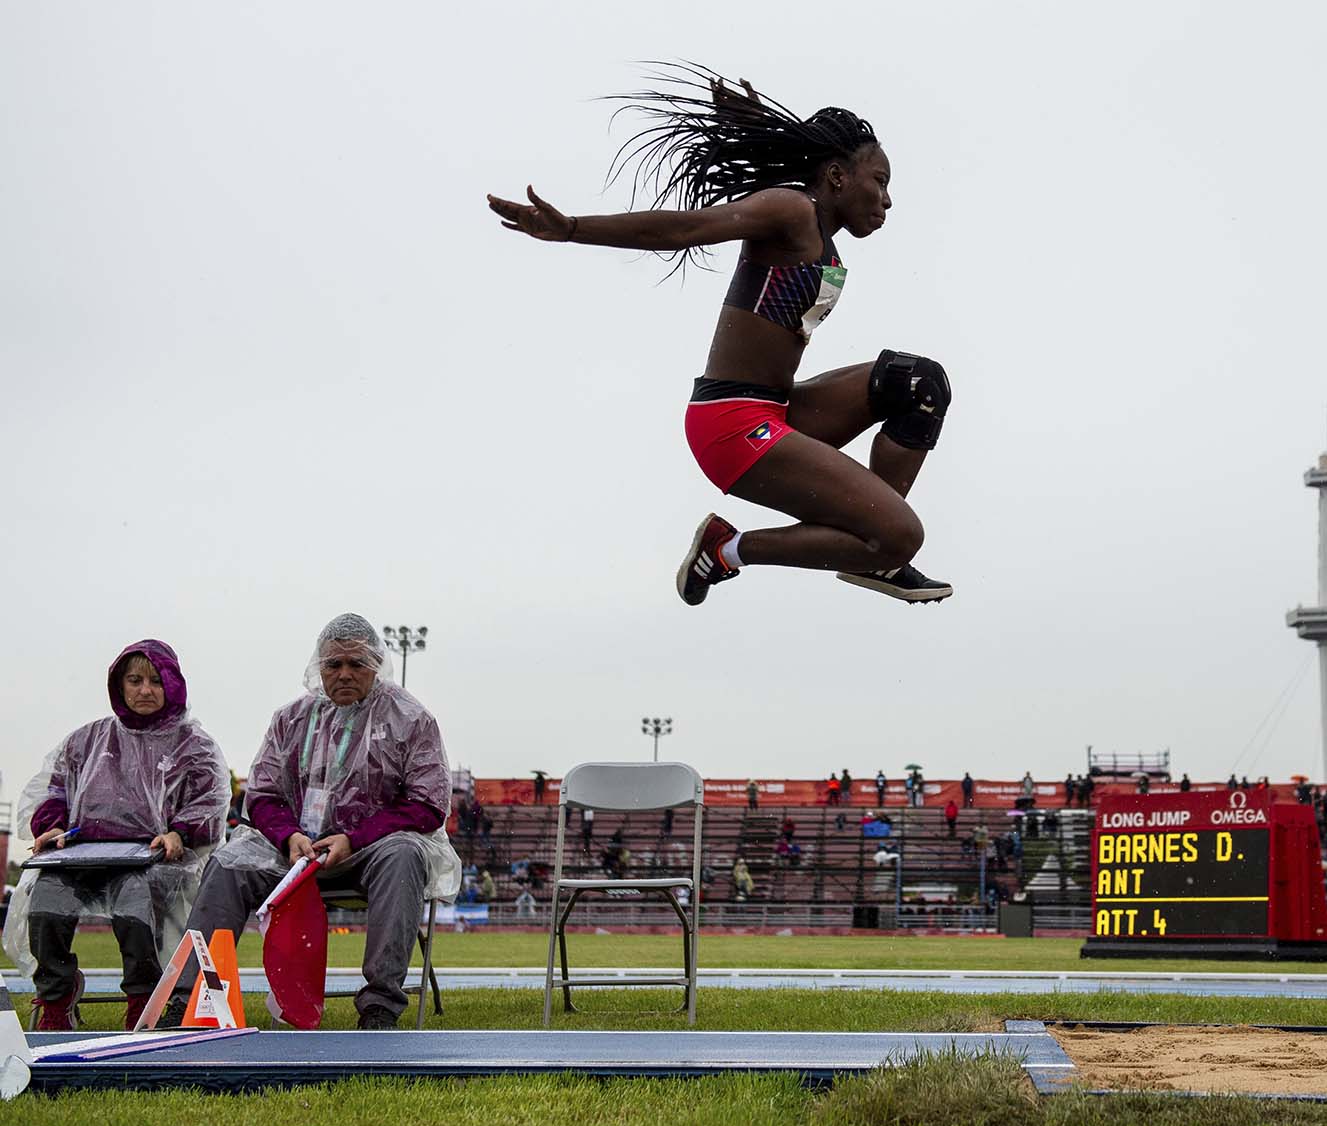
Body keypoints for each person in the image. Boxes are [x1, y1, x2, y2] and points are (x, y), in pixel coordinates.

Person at [489, 64, 952, 607]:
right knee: (902, 533)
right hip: (729, 425)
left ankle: (876, 554)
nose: (888, 200)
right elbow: (683, 230)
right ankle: (729, 550)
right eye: (881, 181)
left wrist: (750, 119)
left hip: (775, 410)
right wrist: (571, 229)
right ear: (835, 177)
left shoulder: (818, 234)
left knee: (919, 383)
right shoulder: (791, 210)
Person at [159, 615, 460, 1030]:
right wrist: (289, 836)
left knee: (405, 854)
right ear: (318, 667)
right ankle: (189, 995)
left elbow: (427, 804)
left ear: (377, 664)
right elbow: (262, 795)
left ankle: (379, 1006)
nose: (344, 674)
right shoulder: (291, 719)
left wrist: (354, 839)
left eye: (356, 664)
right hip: (294, 848)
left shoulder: (410, 719)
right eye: (333, 664)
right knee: (228, 862)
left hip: (369, 851)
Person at [4, 641, 230, 1030]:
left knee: (134, 911)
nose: (145, 689)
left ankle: (143, 998)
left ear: (173, 684)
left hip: (146, 859)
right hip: (78, 855)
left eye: (156, 681)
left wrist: (179, 832)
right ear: (119, 686)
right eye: (135, 680)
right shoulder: (86, 740)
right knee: (45, 908)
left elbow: (210, 801)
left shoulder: (196, 746)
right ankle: (57, 999)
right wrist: (52, 826)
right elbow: (54, 790)